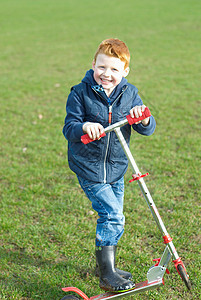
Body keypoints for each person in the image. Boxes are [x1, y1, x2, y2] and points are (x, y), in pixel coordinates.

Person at [63, 38, 156, 292]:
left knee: (115, 217)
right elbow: (69, 127)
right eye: (102, 67)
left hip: (116, 167)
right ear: (93, 64)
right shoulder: (80, 93)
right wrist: (84, 126)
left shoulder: (130, 94)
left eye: (115, 69)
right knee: (113, 216)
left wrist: (144, 119)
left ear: (125, 71)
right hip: (90, 168)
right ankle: (107, 274)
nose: (107, 74)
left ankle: (105, 266)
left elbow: (145, 126)